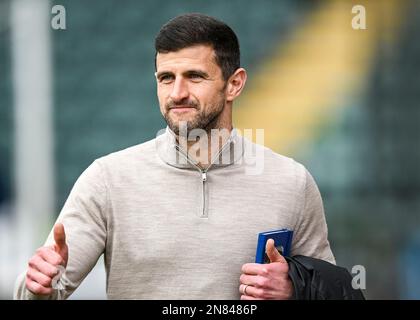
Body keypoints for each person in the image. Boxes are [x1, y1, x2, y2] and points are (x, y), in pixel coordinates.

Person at [14, 13, 337, 300]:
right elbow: (40, 291)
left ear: (234, 84)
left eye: (194, 76)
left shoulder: (291, 181)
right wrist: (37, 287)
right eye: (166, 78)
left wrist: (295, 289)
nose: (177, 93)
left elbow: (332, 290)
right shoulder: (107, 179)